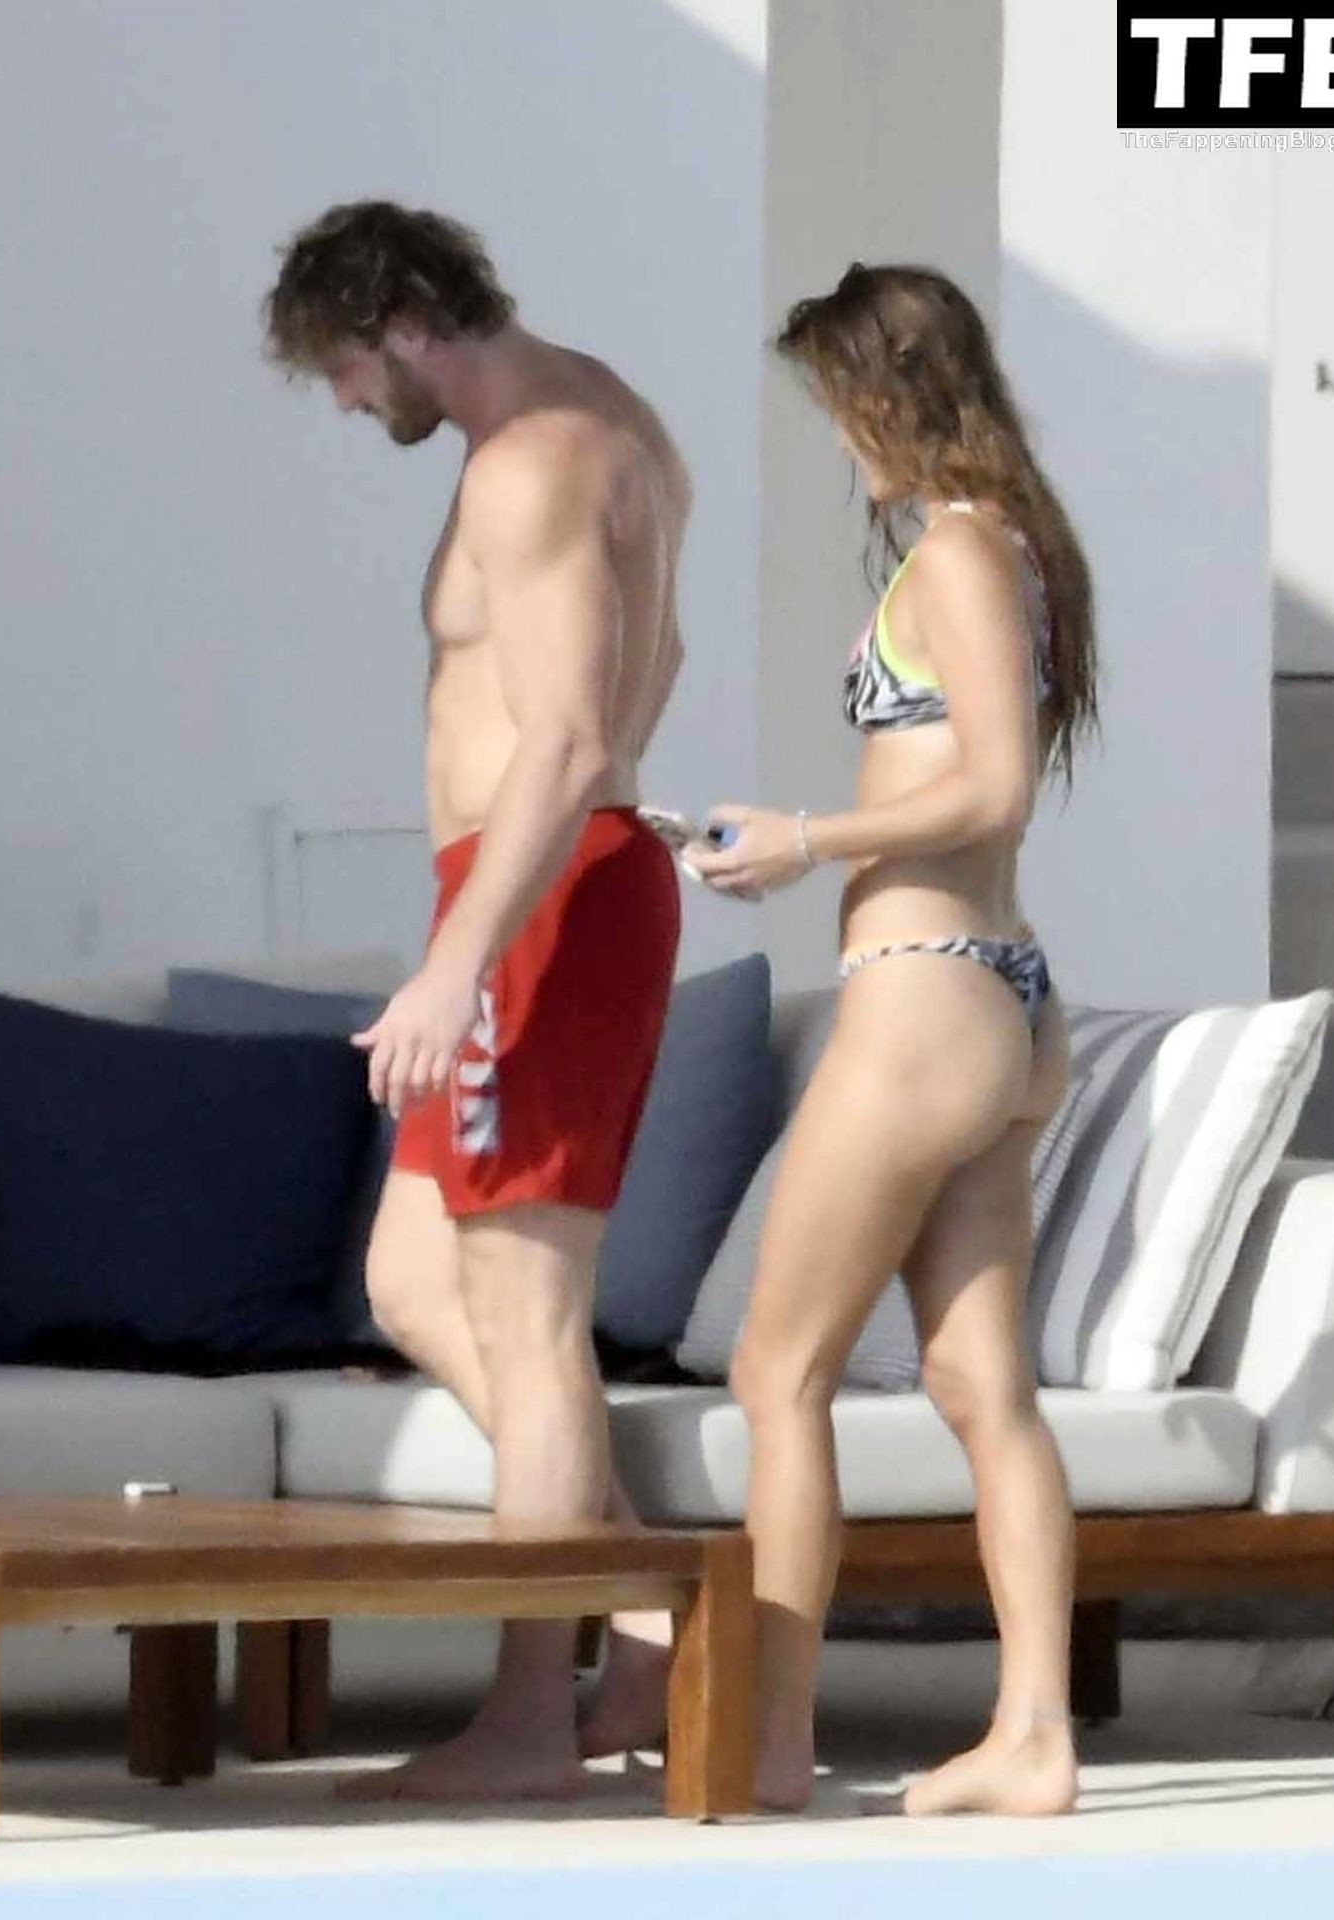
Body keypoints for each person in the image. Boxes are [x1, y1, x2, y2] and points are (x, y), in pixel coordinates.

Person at [263, 200, 688, 1801]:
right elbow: (659, 661)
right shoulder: (610, 414)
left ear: (401, 323)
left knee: (525, 1309)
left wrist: (462, 962)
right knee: (409, 1280)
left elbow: (570, 736)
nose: (343, 400)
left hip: (539, 901)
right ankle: (645, 1611)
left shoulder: (534, 459)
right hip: (531, 885)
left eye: (342, 366)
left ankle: (527, 1720)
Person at [684, 262, 1100, 1816]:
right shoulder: (1012, 545)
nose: (836, 436)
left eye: (837, 402)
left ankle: (772, 1742)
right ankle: (1034, 1735)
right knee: (979, 1381)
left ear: (889, 391)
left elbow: (992, 784)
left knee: (775, 1369)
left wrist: (806, 838)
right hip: (994, 997)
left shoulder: (963, 551)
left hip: (926, 996)